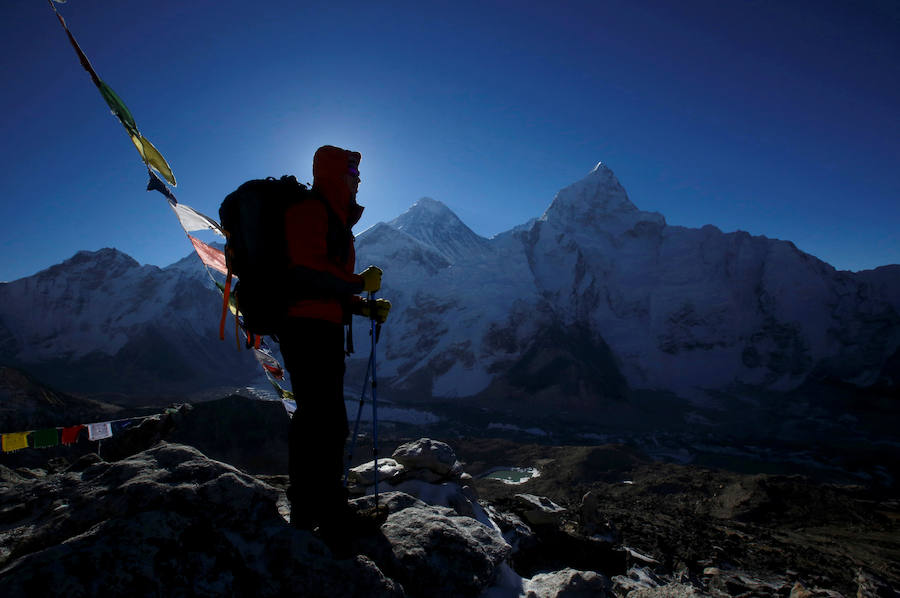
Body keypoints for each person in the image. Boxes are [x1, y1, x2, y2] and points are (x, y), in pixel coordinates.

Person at [277, 145, 391, 538]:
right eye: (352, 173)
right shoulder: (311, 211)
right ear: (335, 175)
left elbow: (322, 284)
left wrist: (361, 307)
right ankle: (323, 512)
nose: (358, 180)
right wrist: (359, 283)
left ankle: (314, 508)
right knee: (322, 421)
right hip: (306, 329)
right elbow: (306, 274)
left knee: (320, 419)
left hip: (319, 326)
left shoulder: (331, 216)